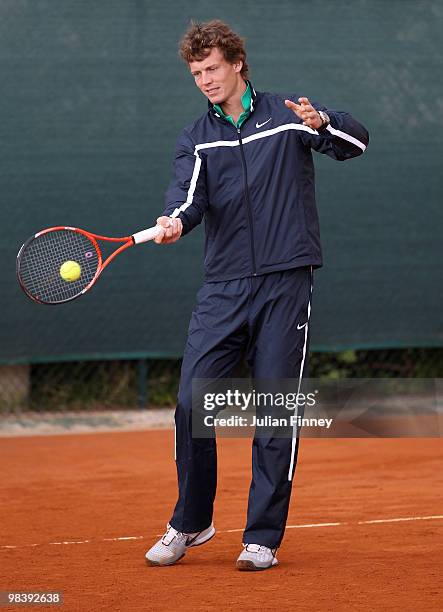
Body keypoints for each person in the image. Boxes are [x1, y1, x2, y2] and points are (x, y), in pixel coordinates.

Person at [145, 19, 369, 570]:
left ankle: (261, 537)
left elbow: (356, 141)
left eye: (213, 69)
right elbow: (187, 201)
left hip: (285, 281)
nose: (205, 80)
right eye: (197, 73)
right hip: (223, 287)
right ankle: (191, 521)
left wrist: (325, 122)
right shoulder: (196, 137)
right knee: (190, 404)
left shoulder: (288, 118)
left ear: (237, 63)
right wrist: (174, 222)